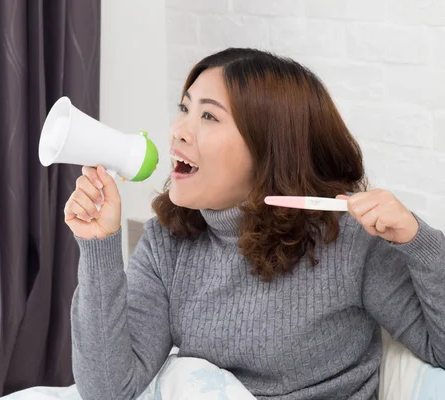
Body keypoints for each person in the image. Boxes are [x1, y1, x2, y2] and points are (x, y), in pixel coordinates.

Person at [63, 48, 445, 400]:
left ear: (269, 147)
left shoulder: (347, 239)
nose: (179, 130)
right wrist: (99, 246)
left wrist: (417, 239)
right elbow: (109, 391)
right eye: (184, 108)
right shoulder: (167, 239)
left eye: (209, 115)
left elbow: (440, 348)